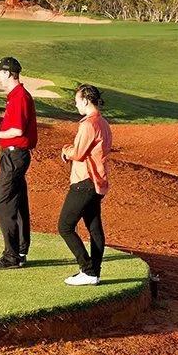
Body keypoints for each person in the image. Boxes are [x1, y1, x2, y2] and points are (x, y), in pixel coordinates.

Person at [0, 56, 36, 269]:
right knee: (18, 202)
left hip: (15, 156)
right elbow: (14, 131)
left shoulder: (19, 96)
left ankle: (11, 256)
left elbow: (18, 130)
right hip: (15, 154)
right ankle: (20, 251)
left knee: (3, 203)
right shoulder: (16, 95)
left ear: (7, 73)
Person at [59, 84, 112, 286]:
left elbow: (78, 153)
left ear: (85, 100)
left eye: (77, 101)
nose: (76, 105)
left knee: (65, 226)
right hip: (97, 182)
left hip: (85, 181)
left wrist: (66, 150)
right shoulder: (104, 123)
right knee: (94, 228)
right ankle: (93, 273)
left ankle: (88, 270)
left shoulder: (89, 124)